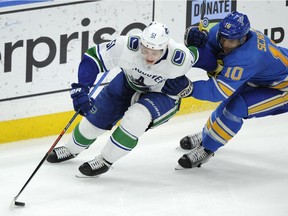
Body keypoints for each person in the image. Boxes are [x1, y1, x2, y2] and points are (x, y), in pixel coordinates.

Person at [46, 21, 217, 177]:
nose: (149, 56)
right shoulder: (127, 45)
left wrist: (201, 47)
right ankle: (72, 149)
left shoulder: (179, 57)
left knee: (135, 119)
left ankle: (105, 160)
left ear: (165, 47)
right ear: (141, 43)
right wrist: (81, 88)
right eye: (145, 50)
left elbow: (208, 61)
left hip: (163, 94)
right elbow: (92, 58)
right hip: (127, 83)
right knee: (94, 120)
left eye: (155, 52)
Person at [162, 11, 288, 169]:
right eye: (223, 38)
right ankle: (208, 133)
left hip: (284, 88)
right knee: (231, 97)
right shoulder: (221, 32)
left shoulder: (248, 57)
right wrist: (192, 40)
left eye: (231, 41)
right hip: (262, 78)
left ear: (243, 39)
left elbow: (218, 91)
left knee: (237, 108)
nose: (225, 44)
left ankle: (207, 148)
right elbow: (208, 49)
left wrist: (189, 88)